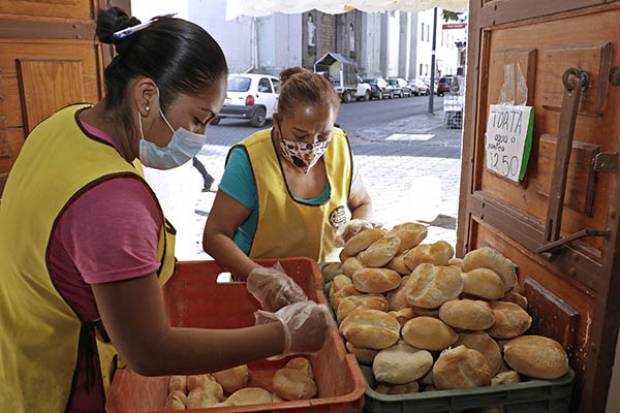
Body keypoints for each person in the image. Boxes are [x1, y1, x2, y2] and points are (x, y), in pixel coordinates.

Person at [0, 9, 329, 413]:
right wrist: (284, 336)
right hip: (59, 384)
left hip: (14, 351)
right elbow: (149, 351)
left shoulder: (65, 123)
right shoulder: (112, 203)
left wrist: (254, 272)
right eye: (198, 119)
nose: (200, 137)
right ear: (146, 97)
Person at [203, 67, 374, 280]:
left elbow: (362, 203)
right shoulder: (250, 159)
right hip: (259, 290)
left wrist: (357, 227)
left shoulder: (339, 147)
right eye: (300, 135)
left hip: (326, 285)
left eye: (323, 136)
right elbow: (214, 236)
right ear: (277, 123)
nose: (312, 146)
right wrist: (260, 277)